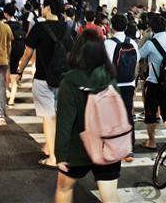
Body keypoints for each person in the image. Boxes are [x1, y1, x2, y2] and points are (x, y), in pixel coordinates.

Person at [55, 29, 120, 203]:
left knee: (64, 188)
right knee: (110, 197)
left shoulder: (70, 80)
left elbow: (64, 122)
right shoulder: (110, 77)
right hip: (108, 147)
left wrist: (60, 154)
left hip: (78, 149)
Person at [18, 0, 73, 168]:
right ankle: (50, 147)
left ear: (48, 8)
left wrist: (19, 71)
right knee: (55, 115)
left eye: (44, 6)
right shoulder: (68, 27)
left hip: (43, 78)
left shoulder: (39, 27)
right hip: (63, 79)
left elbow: (27, 53)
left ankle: (53, 158)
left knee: (48, 117)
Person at [139, 16, 166, 149]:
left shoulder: (150, 43)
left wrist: (144, 38)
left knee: (151, 114)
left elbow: (137, 55)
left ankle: (151, 142)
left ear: (151, 28)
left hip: (153, 83)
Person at [104, 14, 139, 162]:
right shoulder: (133, 43)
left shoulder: (107, 43)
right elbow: (136, 64)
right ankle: (128, 150)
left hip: (113, 85)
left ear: (112, 26)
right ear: (126, 27)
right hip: (129, 84)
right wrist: (134, 83)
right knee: (127, 116)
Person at [3, 3, 26, 106]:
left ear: (5, 13)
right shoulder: (19, 25)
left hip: (6, 53)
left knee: (4, 75)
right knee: (13, 75)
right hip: (17, 52)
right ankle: (11, 99)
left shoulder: (4, 25)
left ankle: (5, 95)